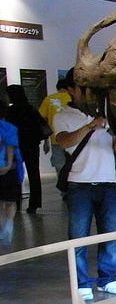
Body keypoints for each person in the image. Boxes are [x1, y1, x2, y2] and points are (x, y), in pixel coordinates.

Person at [52, 68, 116, 302]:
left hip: (108, 183)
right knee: (78, 236)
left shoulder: (108, 117)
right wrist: (90, 126)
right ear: (71, 90)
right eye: (84, 89)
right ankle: (82, 282)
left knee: (109, 234)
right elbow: (64, 141)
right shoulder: (63, 115)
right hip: (80, 184)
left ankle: (108, 279)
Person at [6, 84, 51, 213]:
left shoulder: (11, 112)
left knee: (16, 175)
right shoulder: (31, 109)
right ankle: (34, 204)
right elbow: (42, 126)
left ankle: (16, 202)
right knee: (34, 174)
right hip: (32, 146)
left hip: (16, 147)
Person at [39, 75, 72, 181]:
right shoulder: (73, 98)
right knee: (74, 163)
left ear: (57, 88)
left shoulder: (48, 99)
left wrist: (46, 142)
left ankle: (63, 189)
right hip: (73, 137)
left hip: (56, 139)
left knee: (60, 165)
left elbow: (43, 121)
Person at [0, 102, 24, 247]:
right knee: (10, 200)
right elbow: (11, 145)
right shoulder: (10, 127)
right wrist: (9, 164)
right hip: (11, 169)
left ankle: (3, 227)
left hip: (7, 167)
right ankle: (8, 225)